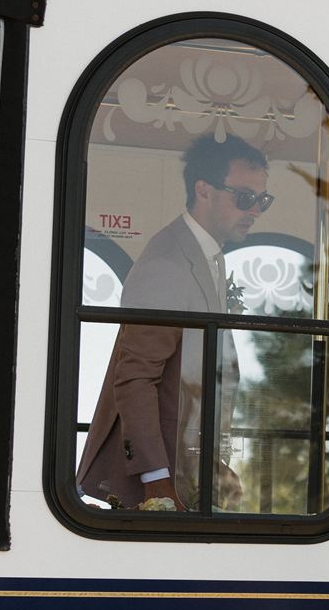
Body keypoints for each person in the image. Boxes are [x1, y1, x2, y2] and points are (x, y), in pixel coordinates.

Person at [76, 134, 270, 511]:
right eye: (245, 198)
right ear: (204, 190)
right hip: (159, 484)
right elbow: (135, 378)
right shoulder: (167, 264)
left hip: (190, 468)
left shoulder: (205, 255)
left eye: (263, 200)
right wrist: (157, 482)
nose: (256, 211)